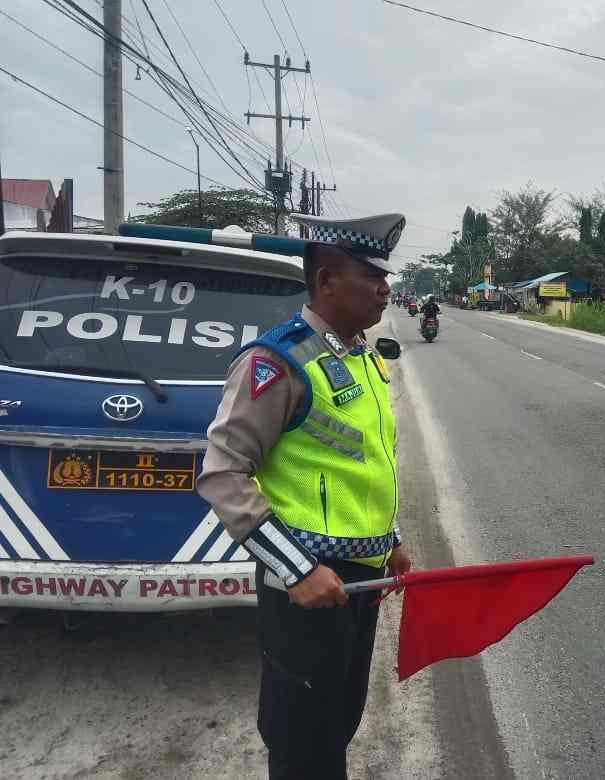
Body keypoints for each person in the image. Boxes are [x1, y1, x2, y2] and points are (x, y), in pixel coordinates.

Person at [197, 212, 413, 780]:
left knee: (338, 723)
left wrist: (392, 540)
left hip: (359, 585)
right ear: (325, 282)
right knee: (301, 744)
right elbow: (223, 473)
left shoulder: (363, 356)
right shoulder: (279, 362)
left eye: (383, 275)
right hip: (306, 590)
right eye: (370, 275)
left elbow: (363, 465)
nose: (384, 288)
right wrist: (296, 571)